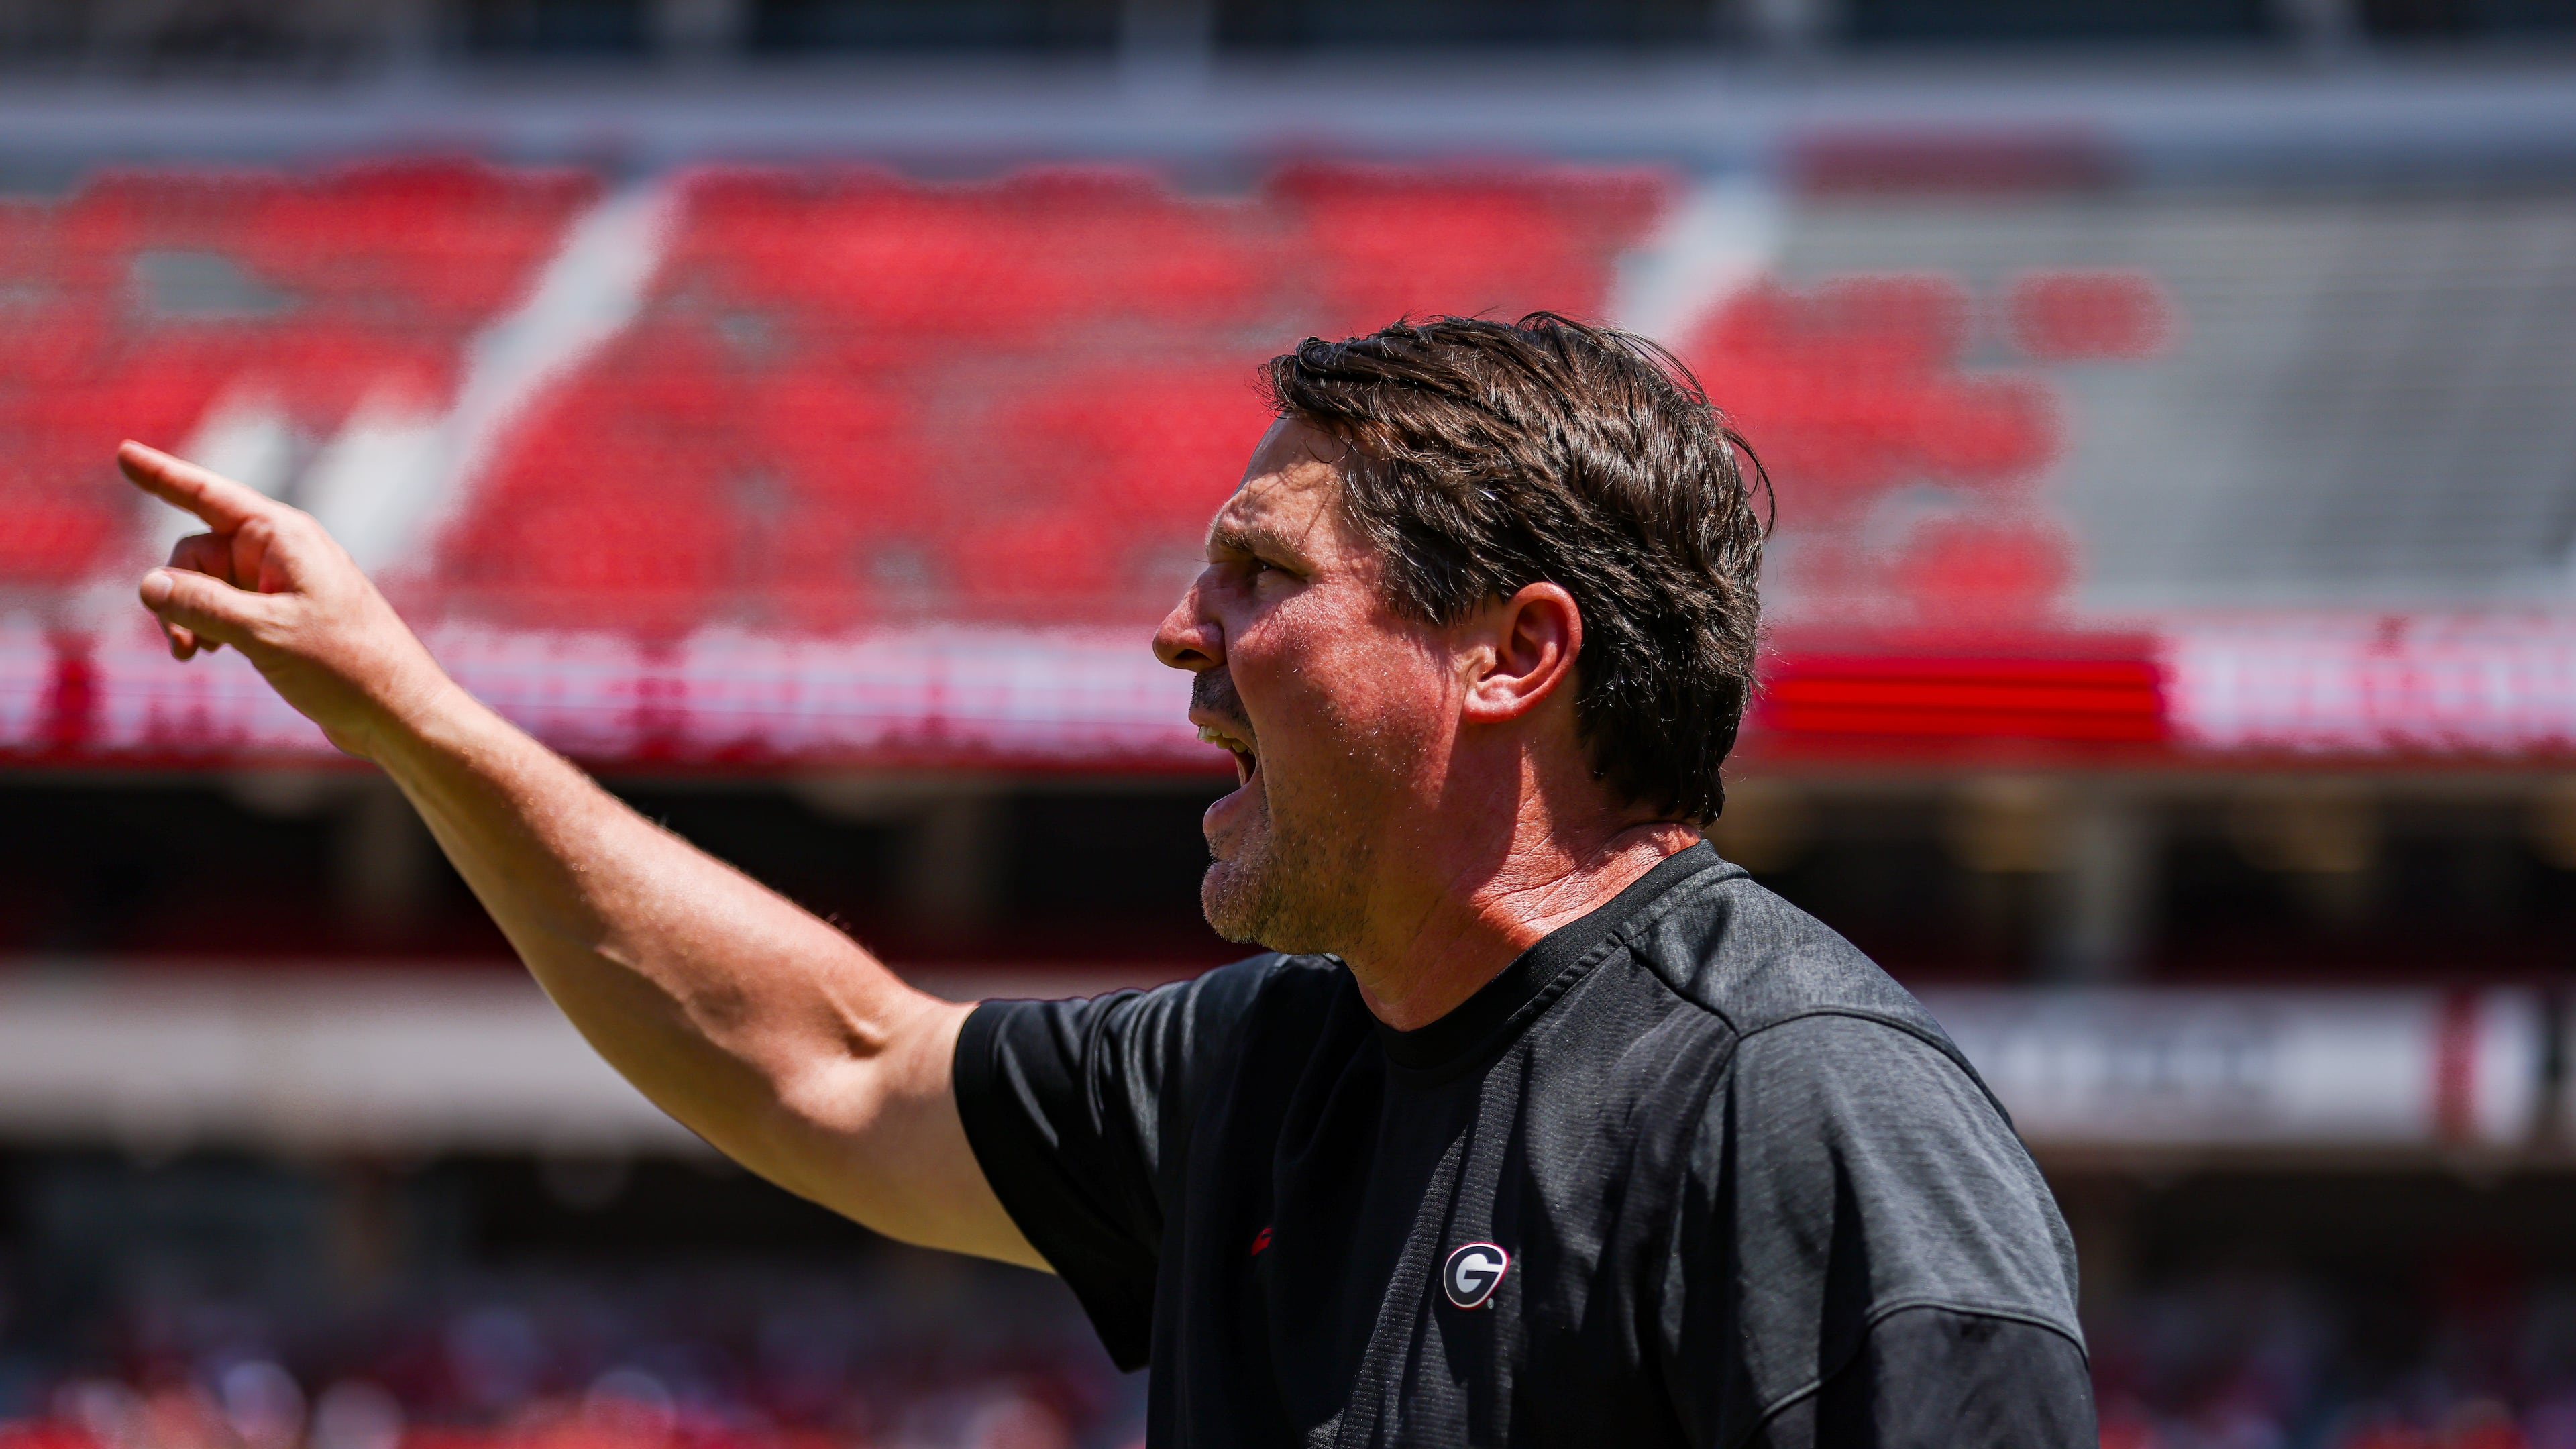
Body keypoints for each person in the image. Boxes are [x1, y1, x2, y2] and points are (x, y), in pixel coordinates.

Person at [121, 314, 2092, 1446]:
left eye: (1261, 575)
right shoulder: (1260, 1071)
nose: (1177, 632)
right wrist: (414, 720)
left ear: (1515, 653)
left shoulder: (1800, 1106)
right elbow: (833, 1062)